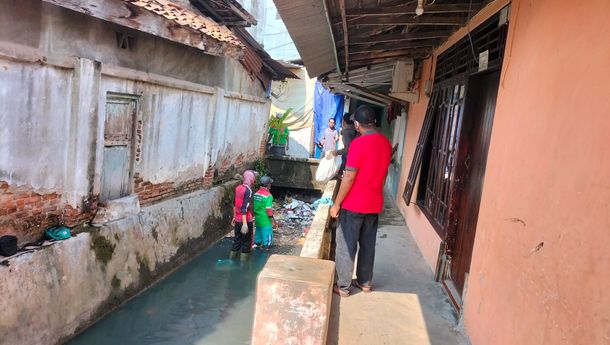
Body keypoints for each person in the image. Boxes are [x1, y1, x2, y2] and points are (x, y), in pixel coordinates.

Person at [330, 105, 392, 297]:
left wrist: (337, 203)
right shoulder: (385, 143)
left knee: (346, 244)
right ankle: (365, 282)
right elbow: (384, 174)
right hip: (374, 203)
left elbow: (349, 177)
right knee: (367, 244)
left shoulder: (358, 144)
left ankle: (343, 286)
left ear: (357, 124)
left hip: (353, 204)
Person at [230, 170, 256, 261]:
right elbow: (244, 207)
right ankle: (243, 266)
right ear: (251, 179)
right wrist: (245, 224)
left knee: (237, 240)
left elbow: (234, 203)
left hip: (237, 220)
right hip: (245, 220)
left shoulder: (238, 188)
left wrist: (234, 216)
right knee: (246, 243)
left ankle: (231, 261)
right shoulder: (248, 190)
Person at [253, 175, 277, 250]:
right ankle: (265, 257)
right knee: (267, 243)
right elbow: (268, 210)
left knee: (257, 239)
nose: (271, 185)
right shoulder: (268, 196)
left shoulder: (256, 194)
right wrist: (273, 221)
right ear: (268, 185)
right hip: (265, 221)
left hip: (258, 219)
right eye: (270, 183)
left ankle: (256, 254)